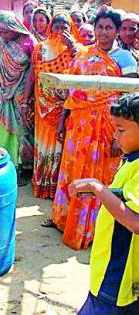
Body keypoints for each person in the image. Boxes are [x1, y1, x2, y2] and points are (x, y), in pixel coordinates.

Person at [50, 10, 138, 250]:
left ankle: (89, 228)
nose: (103, 32)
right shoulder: (84, 54)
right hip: (78, 125)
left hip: (108, 126)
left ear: (117, 31)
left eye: (109, 27)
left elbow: (129, 101)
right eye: (100, 27)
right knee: (71, 169)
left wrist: (120, 137)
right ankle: (64, 219)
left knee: (99, 174)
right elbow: (72, 92)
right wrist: (62, 121)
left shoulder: (125, 59)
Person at [71, 93, 139, 314]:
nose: (115, 135)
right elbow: (127, 197)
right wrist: (101, 192)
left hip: (117, 272)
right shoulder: (131, 159)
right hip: (115, 269)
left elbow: (136, 222)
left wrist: (98, 188)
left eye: (121, 130)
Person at [32, 14, 80, 200]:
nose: (60, 31)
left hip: (64, 109)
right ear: (51, 28)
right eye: (56, 26)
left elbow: (79, 75)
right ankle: (42, 183)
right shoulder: (40, 49)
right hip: (42, 107)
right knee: (43, 146)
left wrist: (72, 48)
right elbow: (32, 75)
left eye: (64, 26)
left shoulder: (78, 50)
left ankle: (56, 188)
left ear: (71, 28)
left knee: (61, 147)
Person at [0, 10, 37, 186]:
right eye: (0, 31)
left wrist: (26, 99)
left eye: (5, 31)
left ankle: (23, 168)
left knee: (23, 130)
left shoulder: (30, 42)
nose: (2, 35)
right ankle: (2, 162)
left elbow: (34, 72)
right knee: (3, 128)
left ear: (14, 27)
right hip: (3, 92)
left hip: (22, 92)